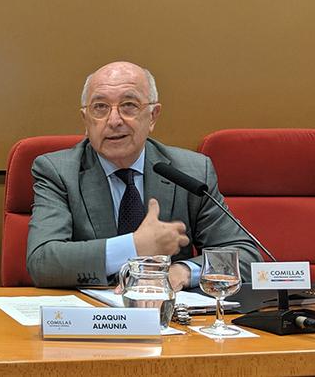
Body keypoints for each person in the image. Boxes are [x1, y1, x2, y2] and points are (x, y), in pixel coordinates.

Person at [26, 61, 260, 290]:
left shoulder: (191, 171)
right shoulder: (57, 171)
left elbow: (245, 255)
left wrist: (184, 271)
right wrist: (135, 246)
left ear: (153, 116)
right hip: (91, 316)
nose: (114, 121)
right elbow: (42, 262)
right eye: (100, 107)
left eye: (129, 105)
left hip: (168, 316)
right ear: (86, 120)